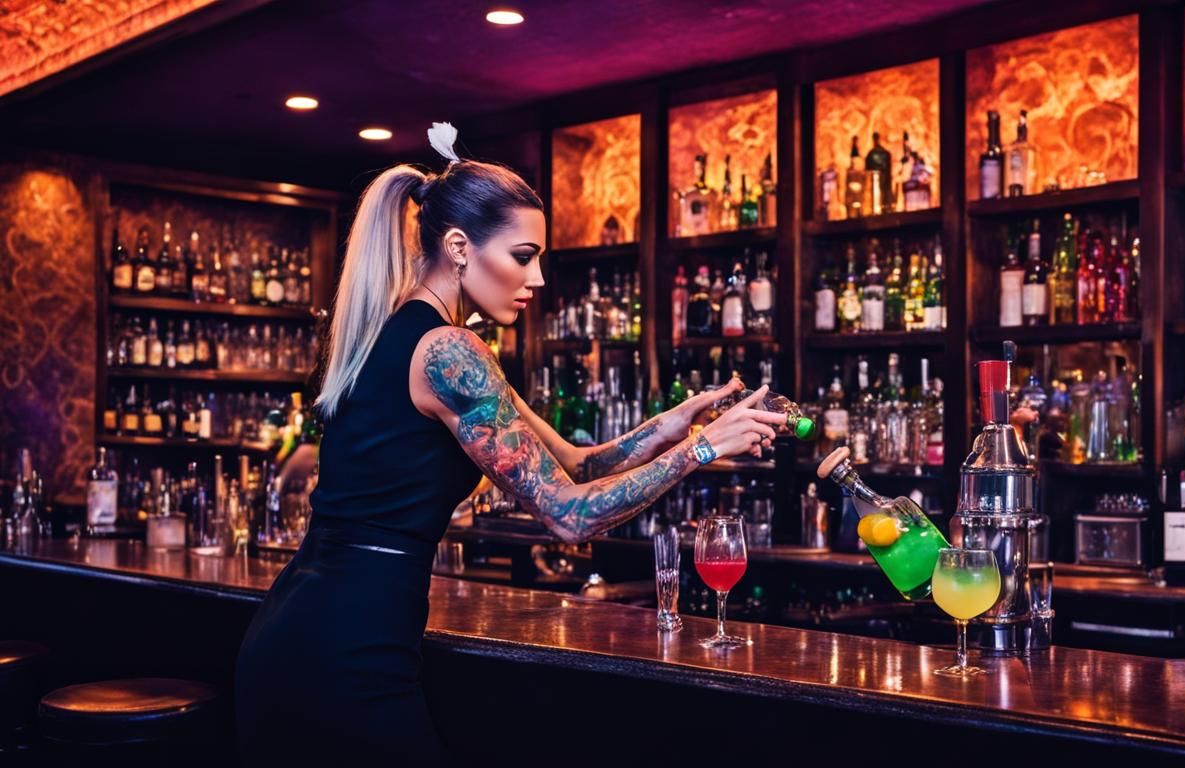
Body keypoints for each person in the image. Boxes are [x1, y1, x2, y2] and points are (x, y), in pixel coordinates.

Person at [233, 123, 784, 765]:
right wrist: (702, 451)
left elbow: (575, 465)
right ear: (459, 248)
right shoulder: (449, 352)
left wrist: (675, 426)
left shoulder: (416, 336)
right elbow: (568, 515)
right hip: (342, 647)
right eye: (523, 256)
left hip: (316, 624)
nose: (538, 278)